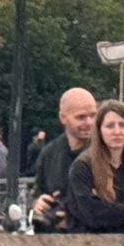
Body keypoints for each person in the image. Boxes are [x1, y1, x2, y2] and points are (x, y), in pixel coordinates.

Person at [65, 102, 124, 235]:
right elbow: (92, 216)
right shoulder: (82, 168)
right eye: (110, 126)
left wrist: (111, 218)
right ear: (99, 130)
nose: (117, 132)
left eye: (122, 125)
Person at [30, 88, 99, 232]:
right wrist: (39, 204)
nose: (89, 122)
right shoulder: (48, 154)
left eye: (93, 115)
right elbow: (38, 192)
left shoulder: (107, 151)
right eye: (81, 117)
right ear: (63, 118)